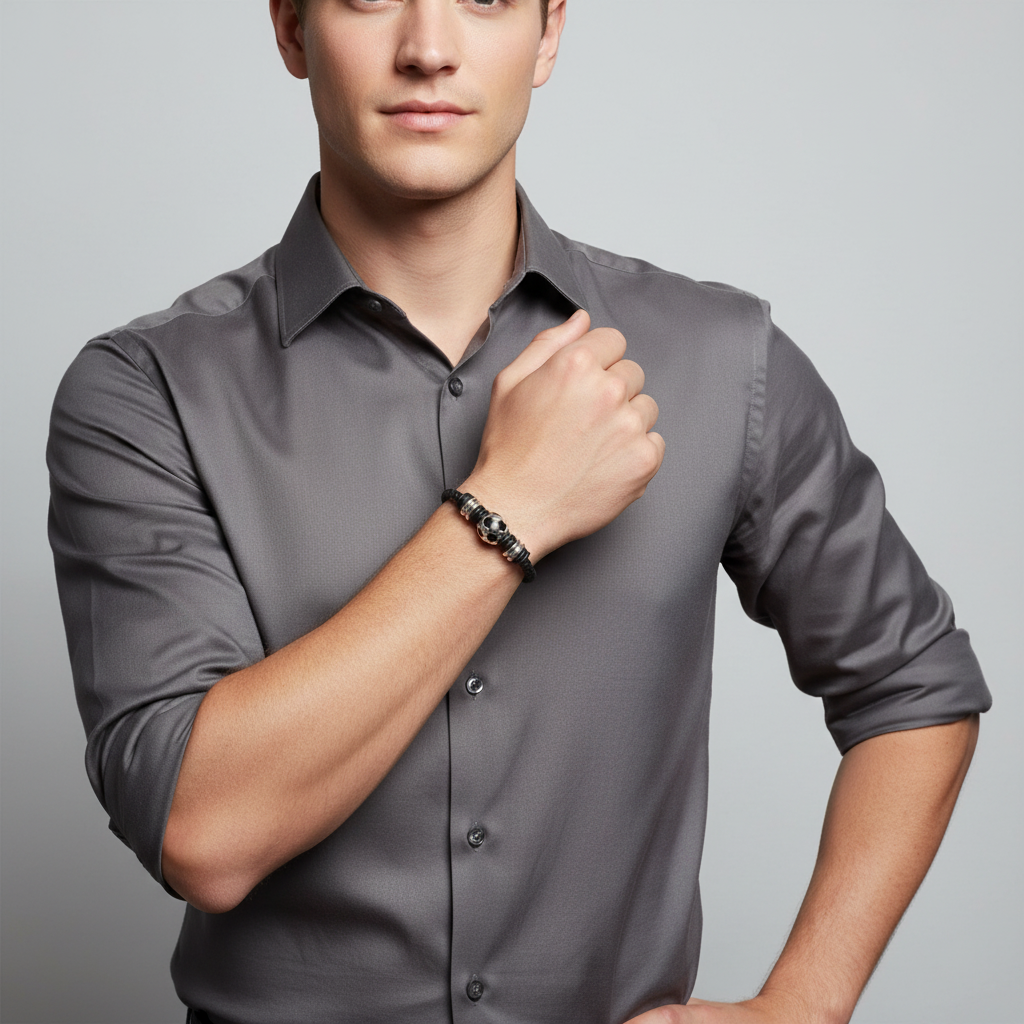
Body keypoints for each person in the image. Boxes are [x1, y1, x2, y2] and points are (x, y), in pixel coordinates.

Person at [46, 1, 991, 1021]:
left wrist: (803, 1002)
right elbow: (204, 832)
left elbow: (915, 683)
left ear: (547, 35)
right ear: (289, 29)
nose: (428, 48)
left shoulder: (723, 360)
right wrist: (508, 505)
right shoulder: (146, 393)